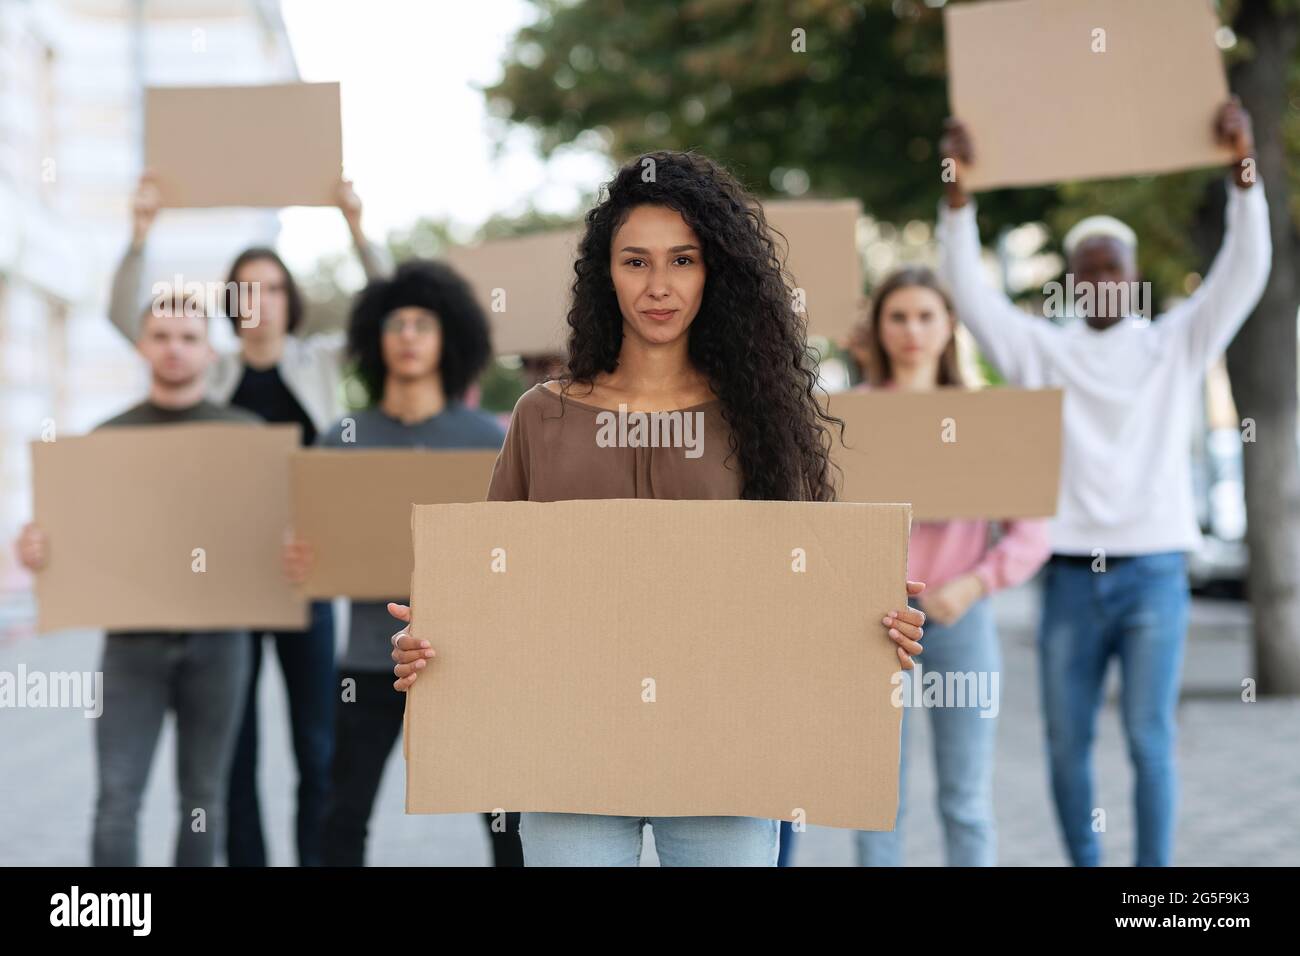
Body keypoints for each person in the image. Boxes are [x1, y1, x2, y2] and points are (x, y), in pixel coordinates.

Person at [390, 150, 928, 866]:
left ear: (716, 272)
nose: (659, 286)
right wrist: (436, 642)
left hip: (724, 757)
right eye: (635, 262)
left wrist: (871, 619)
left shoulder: (762, 417)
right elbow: (497, 583)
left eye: (683, 260)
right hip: (568, 757)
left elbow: (802, 584)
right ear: (603, 274)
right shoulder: (540, 417)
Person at [937, 97, 1270, 866]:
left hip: (1155, 570)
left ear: (1131, 276)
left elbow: (1245, 270)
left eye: (1111, 268)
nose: (1099, 281)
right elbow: (972, 294)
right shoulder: (1040, 352)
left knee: (1150, 739)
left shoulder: (1175, 344)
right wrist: (957, 196)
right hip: (1067, 577)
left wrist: (1242, 168)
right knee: (1064, 743)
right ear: (1074, 283)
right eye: (1085, 271)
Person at [106, 171, 392, 866]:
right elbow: (124, 318)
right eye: (245, 289)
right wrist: (140, 232)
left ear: (289, 300)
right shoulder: (216, 372)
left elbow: (386, 310)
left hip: (306, 575)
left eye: (271, 287)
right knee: (232, 754)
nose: (258, 300)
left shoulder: (319, 362)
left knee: (316, 743)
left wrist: (355, 225)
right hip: (227, 579)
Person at [283, 260, 523, 866]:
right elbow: (310, 542)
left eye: (424, 323)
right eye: (396, 324)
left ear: (449, 339)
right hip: (367, 659)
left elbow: (515, 557)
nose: (410, 335)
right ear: (374, 338)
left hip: (470, 660)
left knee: (506, 825)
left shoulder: (488, 438)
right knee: (341, 817)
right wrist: (300, 557)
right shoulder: (341, 436)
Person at [15, 293, 259, 866]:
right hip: (130, 646)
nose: (174, 348)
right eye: (161, 336)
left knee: (204, 799)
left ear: (209, 350)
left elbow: (264, 538)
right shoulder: (105, 439)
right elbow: (79, 541)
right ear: (142, 344)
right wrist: (40, 549)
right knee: (117, 800)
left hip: (219, 642)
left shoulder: (246, 436)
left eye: (188, 337)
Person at [852, 266, 1050, 867]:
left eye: (926, 315)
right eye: (898, 316)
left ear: (949, 325)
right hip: (875, 623)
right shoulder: (849, 416)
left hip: (961, 616)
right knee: (876, 801)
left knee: (965, 798)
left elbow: (1033, 532)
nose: (912, 330)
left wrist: (975, 583)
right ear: (879, 328)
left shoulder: (984, 416)